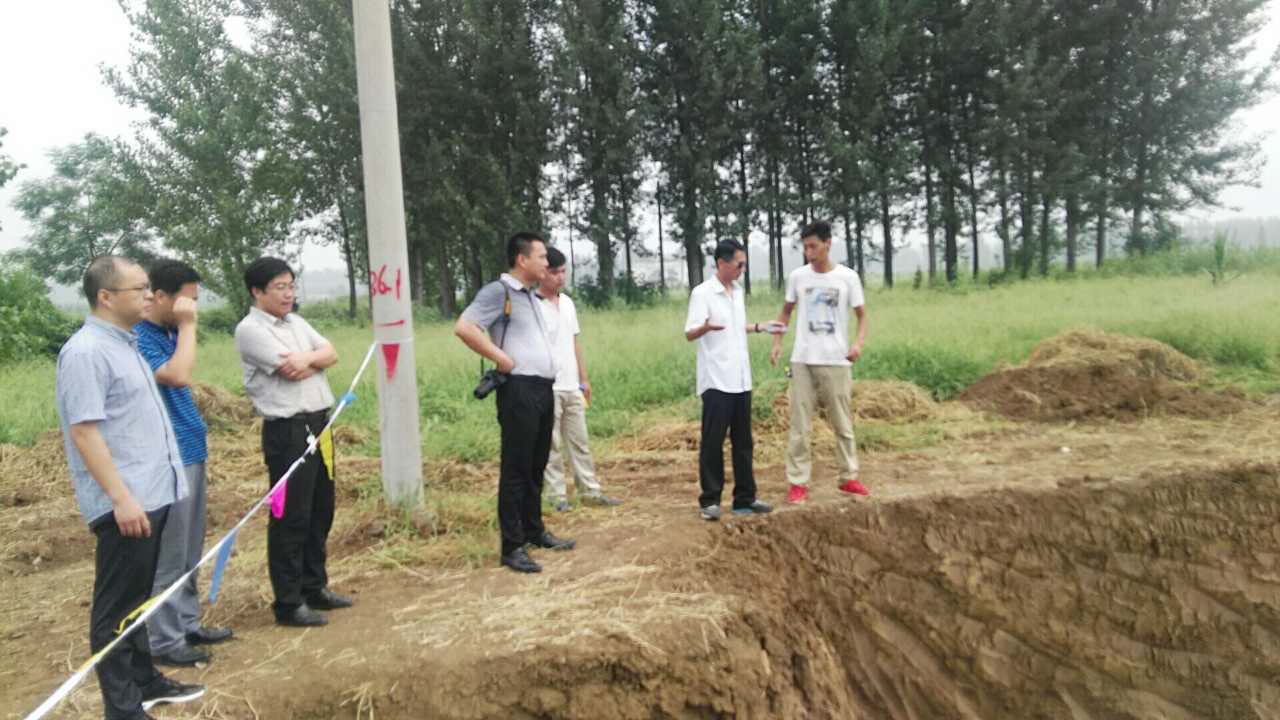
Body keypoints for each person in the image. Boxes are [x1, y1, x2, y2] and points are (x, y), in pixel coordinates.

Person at [56, 255, 206, 720]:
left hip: (152, 491)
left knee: (140, 598)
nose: (148, 295)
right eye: (138, 289)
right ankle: (122, 707)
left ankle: (145, 680)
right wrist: (121, 498)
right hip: (127, 500)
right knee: (116, 607)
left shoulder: (127, 344)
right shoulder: (86, 353)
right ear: (106, 296)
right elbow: (85, 432)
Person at [234, 257, 350, 627]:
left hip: (319, 424)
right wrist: (315, 361)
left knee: (320, 508)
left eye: (291, 286)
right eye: (279, 287)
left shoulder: (296, 322)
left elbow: (331, 353)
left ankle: (315, 586)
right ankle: (288, 601)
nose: (288, 294)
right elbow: (291, 370)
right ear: (257, 292)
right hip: (287, 431)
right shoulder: (251, 330)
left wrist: (311, 359)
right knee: (291, 515)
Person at [454, 232, 576, 573]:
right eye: (541, 257)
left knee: (537, 464)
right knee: (517, 468)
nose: (547, 263)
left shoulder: (531, 297)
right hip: (519, 389)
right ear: (522, 260)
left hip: (543, 388)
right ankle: (512, 545)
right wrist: (502, 359)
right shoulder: (499, 292)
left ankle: (534, 530)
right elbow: (465, 327)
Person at [135, 260, 233, 666]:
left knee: (191, 547)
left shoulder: (167, 332)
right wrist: (188, 326)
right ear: (160, 296)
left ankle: (187, 623)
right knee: (171, 553)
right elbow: (177, 375)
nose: (192, 308)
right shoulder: (139, 338)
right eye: (187, 299)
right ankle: (164, 639)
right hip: (167, 457)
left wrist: (182, 327)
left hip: (191, 450)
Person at [769, 220, 869, 503]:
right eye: (805, 247)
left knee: (842, 422)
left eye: (813, 246)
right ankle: (798, 482)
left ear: (828, 244)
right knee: (800, 425)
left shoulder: (847, 278)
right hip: (802, 359)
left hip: (837, 360)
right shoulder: (798, 277)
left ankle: (848, 477)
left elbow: (862, 315)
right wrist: (777, 342)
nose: (809, 252)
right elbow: (785, 312)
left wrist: (857, 344)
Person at [684, 240, 777, 521]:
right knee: (713, 442)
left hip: (741, 378)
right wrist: (704, 328)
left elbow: (735, 328)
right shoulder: (703, 293)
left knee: (743, 441)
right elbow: (689, 333)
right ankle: (710, 500)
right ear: (722, 263)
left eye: (744, 264)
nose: (743, 269)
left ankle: (744, 498)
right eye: (739, 264)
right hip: (716, 379)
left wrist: (759, 327)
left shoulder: (736, 292)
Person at [536, 246, 623, 512]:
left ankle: (590, 492)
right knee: (551, 445)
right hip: (547, 386)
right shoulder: (533, 305)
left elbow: (574, 343)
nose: (560, 277)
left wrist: (584, 380)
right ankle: (556, 497)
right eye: (554, 272)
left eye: (563, 271)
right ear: (542, 273)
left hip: (571, 385)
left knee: (580, 442)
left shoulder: (567, 304)